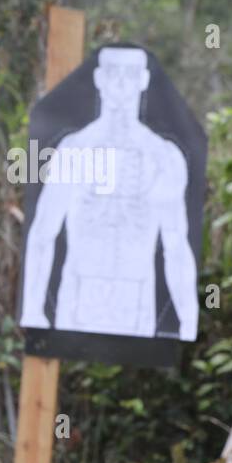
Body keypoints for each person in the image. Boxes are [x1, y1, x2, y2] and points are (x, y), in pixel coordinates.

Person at [21, 47, 197, 341]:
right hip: (78, 295)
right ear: (100, 78)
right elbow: (42, 232)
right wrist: (33, 310)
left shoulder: (163, 157)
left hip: (136, 299)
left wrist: (188, 322)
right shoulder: (74, 150)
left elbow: (176, 246)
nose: (120, 84)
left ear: (142, 80)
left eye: (129, 75)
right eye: (113, 74)